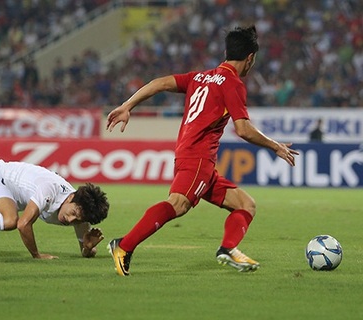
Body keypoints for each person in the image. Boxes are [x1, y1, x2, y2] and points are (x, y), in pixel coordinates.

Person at [106, 25, 299, 276]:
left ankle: (228, 249)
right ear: (250, 58)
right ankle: (124, 246)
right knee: (178, 204)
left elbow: (159, 83)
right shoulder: (232, 83)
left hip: (194, 157)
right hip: (198, 158)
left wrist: (127, 104)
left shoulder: (200, 77)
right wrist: (275, 146)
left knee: (246, 205)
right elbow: (243, 129)